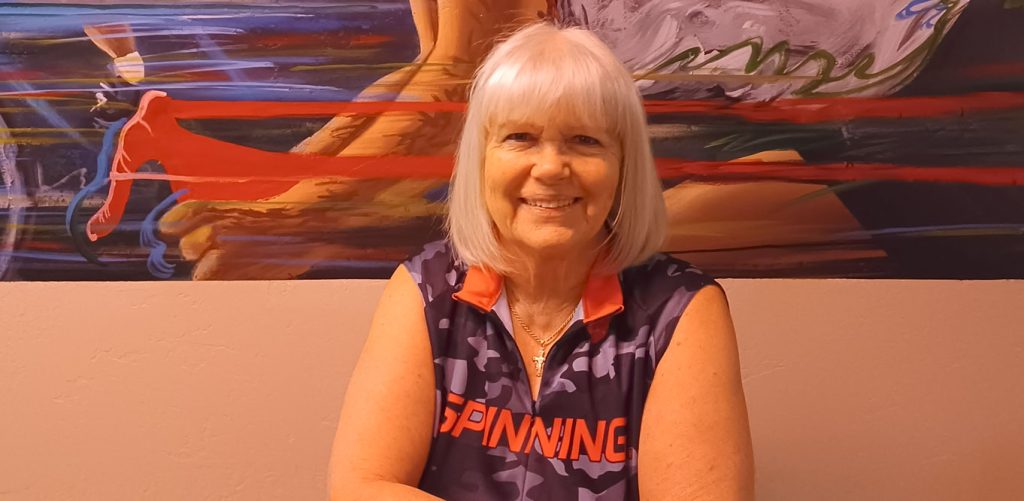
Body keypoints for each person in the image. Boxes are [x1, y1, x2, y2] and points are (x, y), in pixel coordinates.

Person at [327, 23, 754, 500]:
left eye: (585, 140)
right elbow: (363, 485)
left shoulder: (680, 310)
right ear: (481, 159)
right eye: (521, 137)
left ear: (623, 165)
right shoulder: (426, 288)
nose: (550, 168)